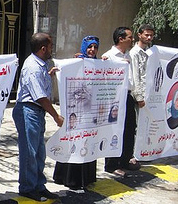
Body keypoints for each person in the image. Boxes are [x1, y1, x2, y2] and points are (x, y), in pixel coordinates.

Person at [12, 32, 64, 202]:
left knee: (39, 153)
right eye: (50, 47)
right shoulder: (33, 67)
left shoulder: (40, 65)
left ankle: (38, 186)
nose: (51, 50)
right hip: (29, 111)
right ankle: (27, 187)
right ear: (43, 48)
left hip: (36, 112)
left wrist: (49, 75)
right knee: (30, 153)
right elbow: (40, 97)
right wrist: (56, 116)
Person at [53, 35, 99, 191]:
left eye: (95, 47)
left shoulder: (99, 64)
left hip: (90, 113)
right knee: (73, 142)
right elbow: (65, 71)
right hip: (76, 112)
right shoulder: (76, 62)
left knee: (88, 143)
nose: (92, 50)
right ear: (84, 47)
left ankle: (86, 178)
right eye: (89, 47)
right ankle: (69, 177)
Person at [101, 27, 140, 177]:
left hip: (128, 96)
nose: (132, 40)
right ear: (121, 38)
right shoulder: (109, 56)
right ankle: (112, 164)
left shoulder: (129, 55)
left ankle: (125, 159)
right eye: (129, 37)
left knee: (130, 128)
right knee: (114, 130)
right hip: (114, 99)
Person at [130, 24, 155, 109]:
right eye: (146, 35)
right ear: (139, 35)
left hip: (149, 95)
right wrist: (139, 97)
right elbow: (135, 76)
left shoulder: (151, 52)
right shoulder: (134, 53)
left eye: (151, 35)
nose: (149, 38)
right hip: (139, 98)